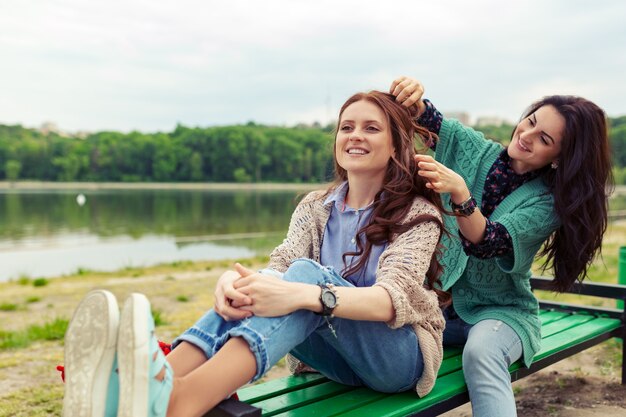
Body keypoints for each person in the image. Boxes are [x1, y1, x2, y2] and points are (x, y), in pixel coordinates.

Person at [62, 90, 451, 417]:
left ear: (396, 144)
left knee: (302, 277)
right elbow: (278, 270)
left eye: (371, 128)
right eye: (346, 127)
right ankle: (153, 380)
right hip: (335, 358)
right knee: (273, 282)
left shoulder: (418, 213)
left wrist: (305, 294)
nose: (354, 135)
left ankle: (180, 400)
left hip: (397, 359)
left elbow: (390, 300)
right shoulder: (316, 206)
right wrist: (236, 285)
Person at [389, 76, 613, 417]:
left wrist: (461, 194)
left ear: (559, 157)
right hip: (437, 308)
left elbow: (488, 241)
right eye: (531, 121)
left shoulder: (547, 203)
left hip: (500, 313)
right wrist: (412, 96)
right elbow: (429, 120)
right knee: (380, 330)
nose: (526, 136)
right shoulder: (477, 150)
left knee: (481, 354)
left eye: (544, 139)